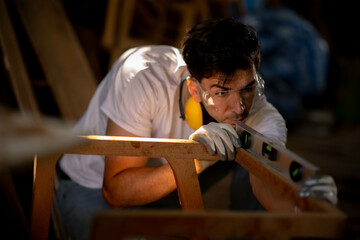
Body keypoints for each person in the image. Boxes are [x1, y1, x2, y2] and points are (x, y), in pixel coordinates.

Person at [56, 18, 337, 240]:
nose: (239, 107)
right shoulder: (142, 79)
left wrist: (306, 203)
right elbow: (116, 192)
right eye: (223, 92)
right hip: (89, 186)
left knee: (249, 159)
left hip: (166, 186)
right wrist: (195, 159)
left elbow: (266, 175)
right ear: (194, 88)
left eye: (248, 88)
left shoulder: (257, 104)